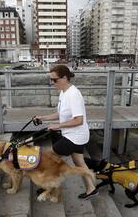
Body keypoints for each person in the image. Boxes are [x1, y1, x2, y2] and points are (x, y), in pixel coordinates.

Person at [34, 65, 98, 199]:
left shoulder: (73, 94)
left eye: (55, 80)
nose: (52, 83)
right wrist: (43, 118)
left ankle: (49, 187)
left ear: (64, 78)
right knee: (79, 162)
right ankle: (91, 188)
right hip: (74, 135)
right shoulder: (64, 92)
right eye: (51, 80)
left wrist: (58, 126)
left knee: (48, 156)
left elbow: (79, 120)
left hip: (75, 137)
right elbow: (61, 113)